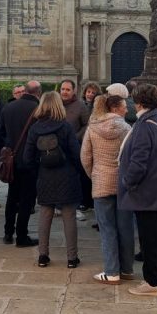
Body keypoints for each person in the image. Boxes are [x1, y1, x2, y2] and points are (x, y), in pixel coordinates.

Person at [119, 84, 157, 297]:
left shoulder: (146, 125)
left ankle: (152, 282)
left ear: (139, 103)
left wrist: (128, 182)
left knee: (149, 238)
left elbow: (139, 161)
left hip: (147, 190)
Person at [22, 91, 83, 268]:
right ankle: (72, 258)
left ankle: (43, 256)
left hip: (45, 175)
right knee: (69, 216)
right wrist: (76, 170)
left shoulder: (35, 129)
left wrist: (39, 168)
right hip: (67, 175)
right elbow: (76, 154)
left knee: (45, 214)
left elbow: (27, 158)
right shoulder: (65, 127)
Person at [81, 94, 135, 283]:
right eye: (123, 106)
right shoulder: (127, 128)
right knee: (126, 227)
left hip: (101, 181)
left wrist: (95, 175)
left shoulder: (92, 128)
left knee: (107, 229)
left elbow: (85, 157)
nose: (126, 109)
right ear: (114, 108)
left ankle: (112, 271)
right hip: (123, 183)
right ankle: (127, 269)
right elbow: (132, 156)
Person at [0, 80, 41, 246]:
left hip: (12, 159)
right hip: (30, 160)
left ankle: (8, 233)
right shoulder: (38, 109)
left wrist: (10, 144)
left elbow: (0, 131)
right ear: (38, 92)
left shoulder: (8, 107)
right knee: (26, 199)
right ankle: (22, 236)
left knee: (12, 196)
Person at [59, 79, 91, 215]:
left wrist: (75, 137)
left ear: (74, 91)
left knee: (74, 176)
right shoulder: (56, 104)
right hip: (57, 148)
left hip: (75, 147)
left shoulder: (81, 106)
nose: (65, 92)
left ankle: (76, 203)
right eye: (63, 89)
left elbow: (87, 124)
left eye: (68, 89)